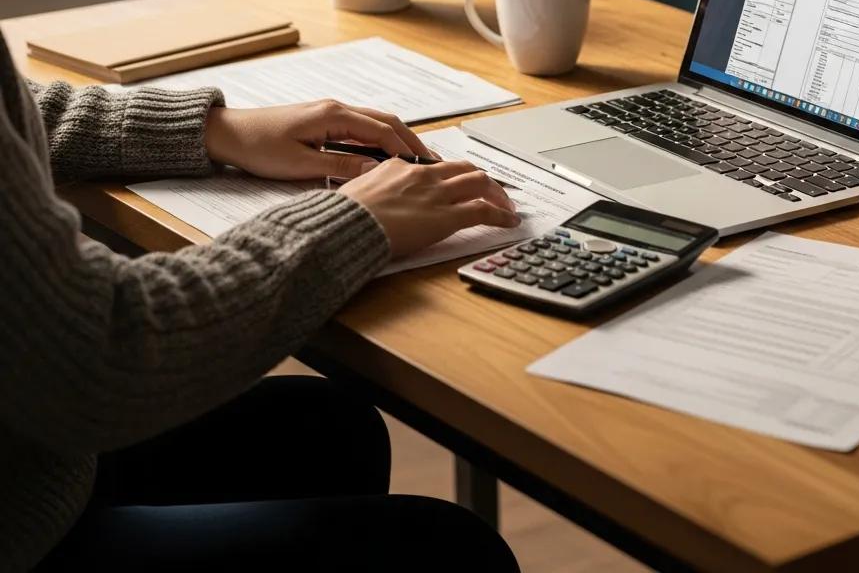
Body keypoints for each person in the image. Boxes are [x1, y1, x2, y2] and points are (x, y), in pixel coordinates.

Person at [0, 30, 521, 571]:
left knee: (329, 429)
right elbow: (101, 353)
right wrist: (351, 224)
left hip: (35, 463)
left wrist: (214, 129)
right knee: (452, 552)